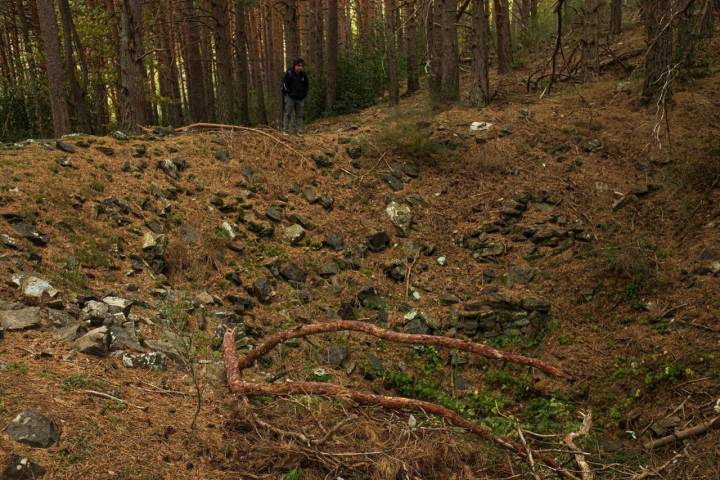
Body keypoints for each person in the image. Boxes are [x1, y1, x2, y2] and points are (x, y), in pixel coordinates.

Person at [281, 58, 309, 136]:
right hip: (290, 97)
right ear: (294, 66)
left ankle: (299, 131)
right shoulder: (289, 73)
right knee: (287, 114)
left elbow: (306, 85)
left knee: (299, 115)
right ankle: (285, 131)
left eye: (302, 66)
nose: (300, 67)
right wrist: (289, 93)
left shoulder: (303, 74)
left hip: (300, 98)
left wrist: (304, 94)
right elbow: (285, 84)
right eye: (299, 65)